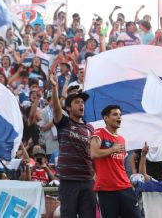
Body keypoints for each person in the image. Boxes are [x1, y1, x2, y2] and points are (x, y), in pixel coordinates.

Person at [50, 73, 96, 217]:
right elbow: (57, 109)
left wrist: (95, 175)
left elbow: (93, 154)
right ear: (68, 108)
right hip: (69, 181)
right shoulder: (64, 123)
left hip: (88, 180)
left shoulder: (90, 128)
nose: (81, 104)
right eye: (77, 102)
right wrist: (54, 87)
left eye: (82, 102)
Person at [91, 105, 141, 218]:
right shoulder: (99, 133)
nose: (119, 117)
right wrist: (112, 149)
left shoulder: (121, 139)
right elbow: (93, 154)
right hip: (106, 189)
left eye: (120, 115)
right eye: (115, 114)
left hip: (125, 187)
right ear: (106, 118)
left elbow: (119, 165)